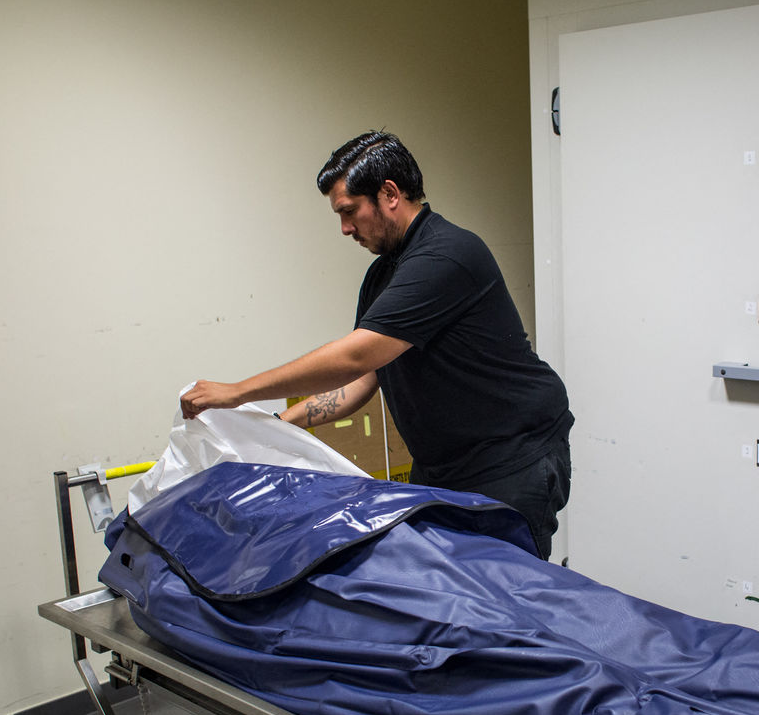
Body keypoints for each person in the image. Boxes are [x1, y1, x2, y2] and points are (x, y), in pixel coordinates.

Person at [180, 131, 573, 559]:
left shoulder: (448, 255)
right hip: (443, 467)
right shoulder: (383, 275)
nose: (345, 228)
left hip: (511, 459)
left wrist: (237, 392)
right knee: (443, 585)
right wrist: (278, 424)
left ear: (389, 194)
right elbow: (364, 378)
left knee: (502, 589)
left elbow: (355, 356)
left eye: (349, 211)